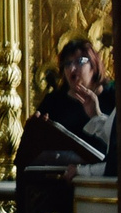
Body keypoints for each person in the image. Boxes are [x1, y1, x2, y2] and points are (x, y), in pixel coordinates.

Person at [28, 37, 116, 176]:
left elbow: (120, 140)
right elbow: (36, 145)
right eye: (67, 64)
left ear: (93, 65)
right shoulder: (54, 100)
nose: (72, 68)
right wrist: (41, 129)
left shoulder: (114, 96)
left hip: (102, 176)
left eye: (80, 61)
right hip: (62, 176)